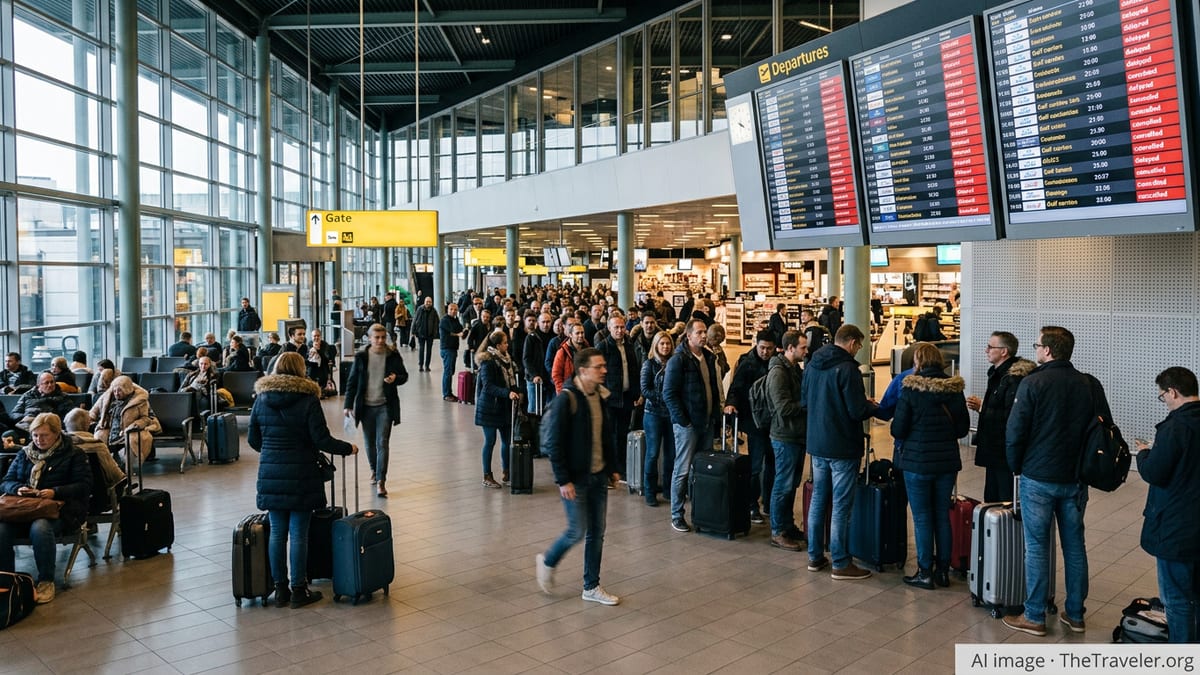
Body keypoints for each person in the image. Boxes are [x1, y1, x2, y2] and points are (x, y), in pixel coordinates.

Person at [1004, 325, 1110, 637]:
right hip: (1076, 478)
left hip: (1038, 477)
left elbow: (1015, 432)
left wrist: (1016, 467)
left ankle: (1034, 616)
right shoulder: (1089, 384)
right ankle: (1075, 614)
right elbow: (1104, 427)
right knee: (1075, 545)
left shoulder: (1032, 383)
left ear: (1048, 351)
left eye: (1038, 345)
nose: (1036, 349)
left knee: (1036, 546)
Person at [250, 352, 357, 608]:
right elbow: (322, 440)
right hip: (301, 474)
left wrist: (273, 452)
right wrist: (348, 448)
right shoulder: (308, 400)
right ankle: (299, 590)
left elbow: (254, 440)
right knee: (299, 534)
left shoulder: (262, 399)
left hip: (271, 473)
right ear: (300, 370)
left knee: (277, 532)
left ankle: (280, 590)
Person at [534, 348, 620, 606]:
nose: (604, 370)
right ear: (583, 370)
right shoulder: (567, 399)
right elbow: (554, 441)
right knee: (576, 530)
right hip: (576, 479)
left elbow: (606, 435)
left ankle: (591, 586)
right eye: (598, 367)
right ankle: (548, 561)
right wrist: (563, 480)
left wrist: (612, 467)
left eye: (604, 366)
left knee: (597, 531)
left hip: (597, 475)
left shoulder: (599, 395)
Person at [800, 324, 878, 580]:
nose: (859, 351)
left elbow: (805, 399)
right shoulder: (847, 369)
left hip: (817, 442)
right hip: (843, 445)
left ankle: (814, 556)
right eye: (860, 346)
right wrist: (870, 406)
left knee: (819, 500)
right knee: (841, 506)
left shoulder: (812, 364)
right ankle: (841, 562)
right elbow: (856, 411)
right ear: (853, 342)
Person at [890, 343, 969, 589]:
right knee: (942, 516)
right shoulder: (954, 390)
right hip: (946, 462)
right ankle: (943, 571)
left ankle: (925, 571)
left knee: (922, 518)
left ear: (918, 362)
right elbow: (963, 429)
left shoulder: (911, 390)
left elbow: (897, 429)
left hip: (917, 462)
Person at [1135, 367, 1200, 643]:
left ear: (1172, 391)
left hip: (1177, 526)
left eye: (1163, 396)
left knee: (1176, 598)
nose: (1165, 401)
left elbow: (1155, 473)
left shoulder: (1175, 427)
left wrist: (1144, 453)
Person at [0, 413, 91, 604]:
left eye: (44, 435)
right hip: (25, 508)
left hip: (61, 510)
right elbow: (6, 482)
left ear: (57, 434)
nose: (38, 440)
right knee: (2, 529)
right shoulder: (24, 454)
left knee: (40, 528)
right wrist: (18, 489)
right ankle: (6, 579)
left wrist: (55, 492)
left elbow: (84, 486)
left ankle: (46, 581)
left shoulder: (75, 454)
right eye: (35, 435)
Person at [662, 319, 722, 533]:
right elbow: (669, 393)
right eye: (698, 332)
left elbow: (713, 389)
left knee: (702, 469)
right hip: (688, 425)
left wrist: (715, 414)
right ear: (688, 336)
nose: (703, 336)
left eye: (705, 332)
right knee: (682, 469)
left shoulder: (707, 357)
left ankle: (702, 511)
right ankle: (677, 514)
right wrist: (683, 421)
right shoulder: (679, 360)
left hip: (705, 422)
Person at [966, 331, 1034, 502]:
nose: (986, 350)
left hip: (1003, 451)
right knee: (992, 497)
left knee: (1004, 499)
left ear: (1004, 351)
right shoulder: (998, 375)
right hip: (994, 449)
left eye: (990, 347)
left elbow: (1011, 416)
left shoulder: (1013, 378)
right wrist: (983, 407)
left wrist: (984, 408)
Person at [343, 324, 407, 498]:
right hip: (366, 406)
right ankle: (374, 469)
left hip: (385, 405)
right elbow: (352, 381)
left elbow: (404, 376)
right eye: (376, 337)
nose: (380, 341)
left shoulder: (392, 355)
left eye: (382, 337)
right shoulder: (362, 356)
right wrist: (347, 405)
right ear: (369, 338)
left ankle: (381, 480)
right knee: (369, 442)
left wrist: (395, 378)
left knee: (382, 443)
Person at [724, 330, 777, 524]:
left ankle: (768, 502)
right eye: (762, 348)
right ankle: (752, 504)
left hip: (772, 422)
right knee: (756, 465)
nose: (765, 352)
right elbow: (736, 388)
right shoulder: (747, 363)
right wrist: (731, 404)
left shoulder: (776, 363)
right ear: (756, 345)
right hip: (755, 422)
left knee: (771, 463)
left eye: (769, 348)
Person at [764, 331, 809, 551]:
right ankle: (777, 531)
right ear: (790, 348)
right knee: (783, 483)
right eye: (802, 348)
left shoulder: (793, 370)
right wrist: (805, 404)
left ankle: (787, 525)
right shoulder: (779, 373)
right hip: (784, 436)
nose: (806, 351)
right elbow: (783, 407)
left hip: (795, 435)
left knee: (791, 483)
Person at [596, 314, 641, 483]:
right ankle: (610, 468)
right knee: (611, 435)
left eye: (622, 327)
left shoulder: (629, 345)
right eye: (616, 327)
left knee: (622, 433)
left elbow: (634, 370)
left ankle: (620, 467)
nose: (620, 330)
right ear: (609, 328)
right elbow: (598, 374)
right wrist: (604, 395)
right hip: (610, 399)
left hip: (627, 398)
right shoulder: (603, 346)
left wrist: (636, 393)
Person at [475, 331, 521, 489]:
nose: (507, 345)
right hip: (489, 407)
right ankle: (487, 475)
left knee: (507, 441)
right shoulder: (488, 362)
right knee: (490, 441)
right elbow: (488, 386)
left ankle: (506, 473)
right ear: (497, 345)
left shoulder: (507, 360)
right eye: (505, 342)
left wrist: (516, 390)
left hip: (503, 407)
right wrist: (507, 393)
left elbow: (510, 381)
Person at [640, 331, 676, 508]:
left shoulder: (675, 363)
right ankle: (650, 491)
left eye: (668, 343)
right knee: (653, 453)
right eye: (662, 344)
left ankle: (669, 490)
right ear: (656, 345)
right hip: (652, 413)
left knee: (671, 454)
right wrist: (664, 397)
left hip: (670, 414)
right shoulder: (649, 364)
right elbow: (645, 389)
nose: (665, 347)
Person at [91, 375, 161, 462]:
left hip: (130, 429)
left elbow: (145, 418)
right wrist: (95, 420)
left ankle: (127, 466)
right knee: (98, 437)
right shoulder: (107, 397)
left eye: (119, 390)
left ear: (127, 390)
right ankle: (104, 465)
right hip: (108, 428)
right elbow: (93, 412)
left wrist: (135, 425)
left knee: (135, 439)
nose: (116, 393)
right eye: (114, 390)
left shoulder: (139, 400)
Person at [63, 407, 125, 489]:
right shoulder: (98, 446)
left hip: (65, 490)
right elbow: (114, 475)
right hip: (97, 491)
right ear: (87, 425)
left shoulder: (61, 445)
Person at [522, 312, 556, 414]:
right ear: (538, 323)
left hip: (549, 377)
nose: (546, 324)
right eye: (543, 322)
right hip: (535, 378)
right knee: (534, 408)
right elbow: (526, 358)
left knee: (550, 408)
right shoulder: (532, 337)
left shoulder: (554, 338)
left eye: (548, 322)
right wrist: (534, 375)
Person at [439, 303, 465, 402]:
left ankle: (448, 392)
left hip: (453, 348)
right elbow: (454, 330)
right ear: (448, 310)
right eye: (451, 309)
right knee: (448, 372)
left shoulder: (455, 319)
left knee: (450, 371)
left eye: (455, 309)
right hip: (447, 348)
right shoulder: (444, 320)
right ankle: (446, 394)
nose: (453, 311)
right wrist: (458, 334)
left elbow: (460, 328)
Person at [552, 322, 588, 394]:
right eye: (577, 333)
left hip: (585, 390)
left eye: (582, 333)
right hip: (569, 390)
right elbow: (556, 375)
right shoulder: (562, 351)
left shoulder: (587, 349)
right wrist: (561, 392)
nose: (581, 335)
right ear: (570, 335)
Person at [412, 296, 439, 372]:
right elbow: (415, 320)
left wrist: (435, 332)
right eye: (427, 301)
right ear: (424, 302)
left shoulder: (434, 311)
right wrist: (413, 331)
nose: (428, 303)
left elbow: (436, 322)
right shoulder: (420, 309)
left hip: (430, 334)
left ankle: (427, 365)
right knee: (421, 349)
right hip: (421, 333)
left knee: (429, 350)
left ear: (432, 303)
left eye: (430, 302)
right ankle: (421, 365)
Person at [304, 329, 336, 394]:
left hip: (323, 365)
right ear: (311, 337)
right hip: (312, 365)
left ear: (320, 336)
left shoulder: (325, 345)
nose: (316, 338)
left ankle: (321, 388)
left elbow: (327, 358)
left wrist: (318, 350)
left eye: (318, 336)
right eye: (314, 336)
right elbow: (307, 357)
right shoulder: (308, 344)